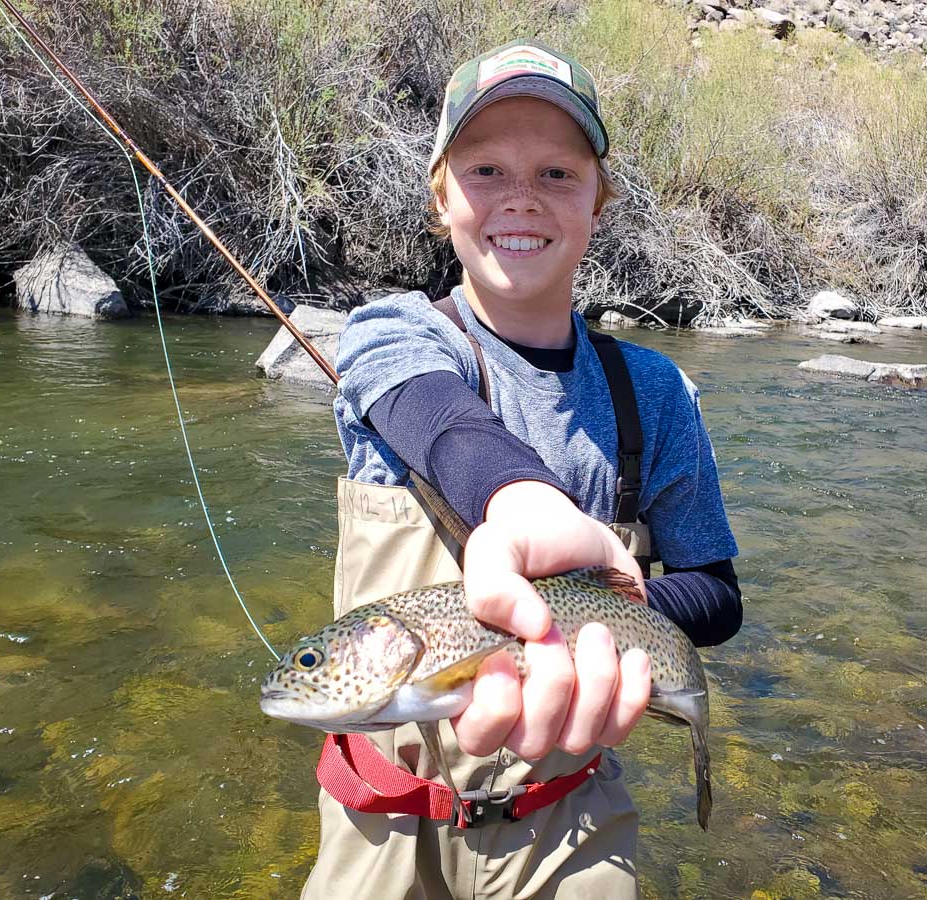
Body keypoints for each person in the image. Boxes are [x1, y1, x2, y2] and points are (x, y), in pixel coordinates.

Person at [303, 39, 741, 900]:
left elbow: (717, 594)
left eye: (556, 174)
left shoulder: (657, 394)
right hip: (383, 817)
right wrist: (527, 501)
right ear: (441, 198)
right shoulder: (392, 336)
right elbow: (440, 419)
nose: (520, 199)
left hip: (570, 815)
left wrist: (613, 616)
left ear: (598, 204)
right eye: (486, 170)